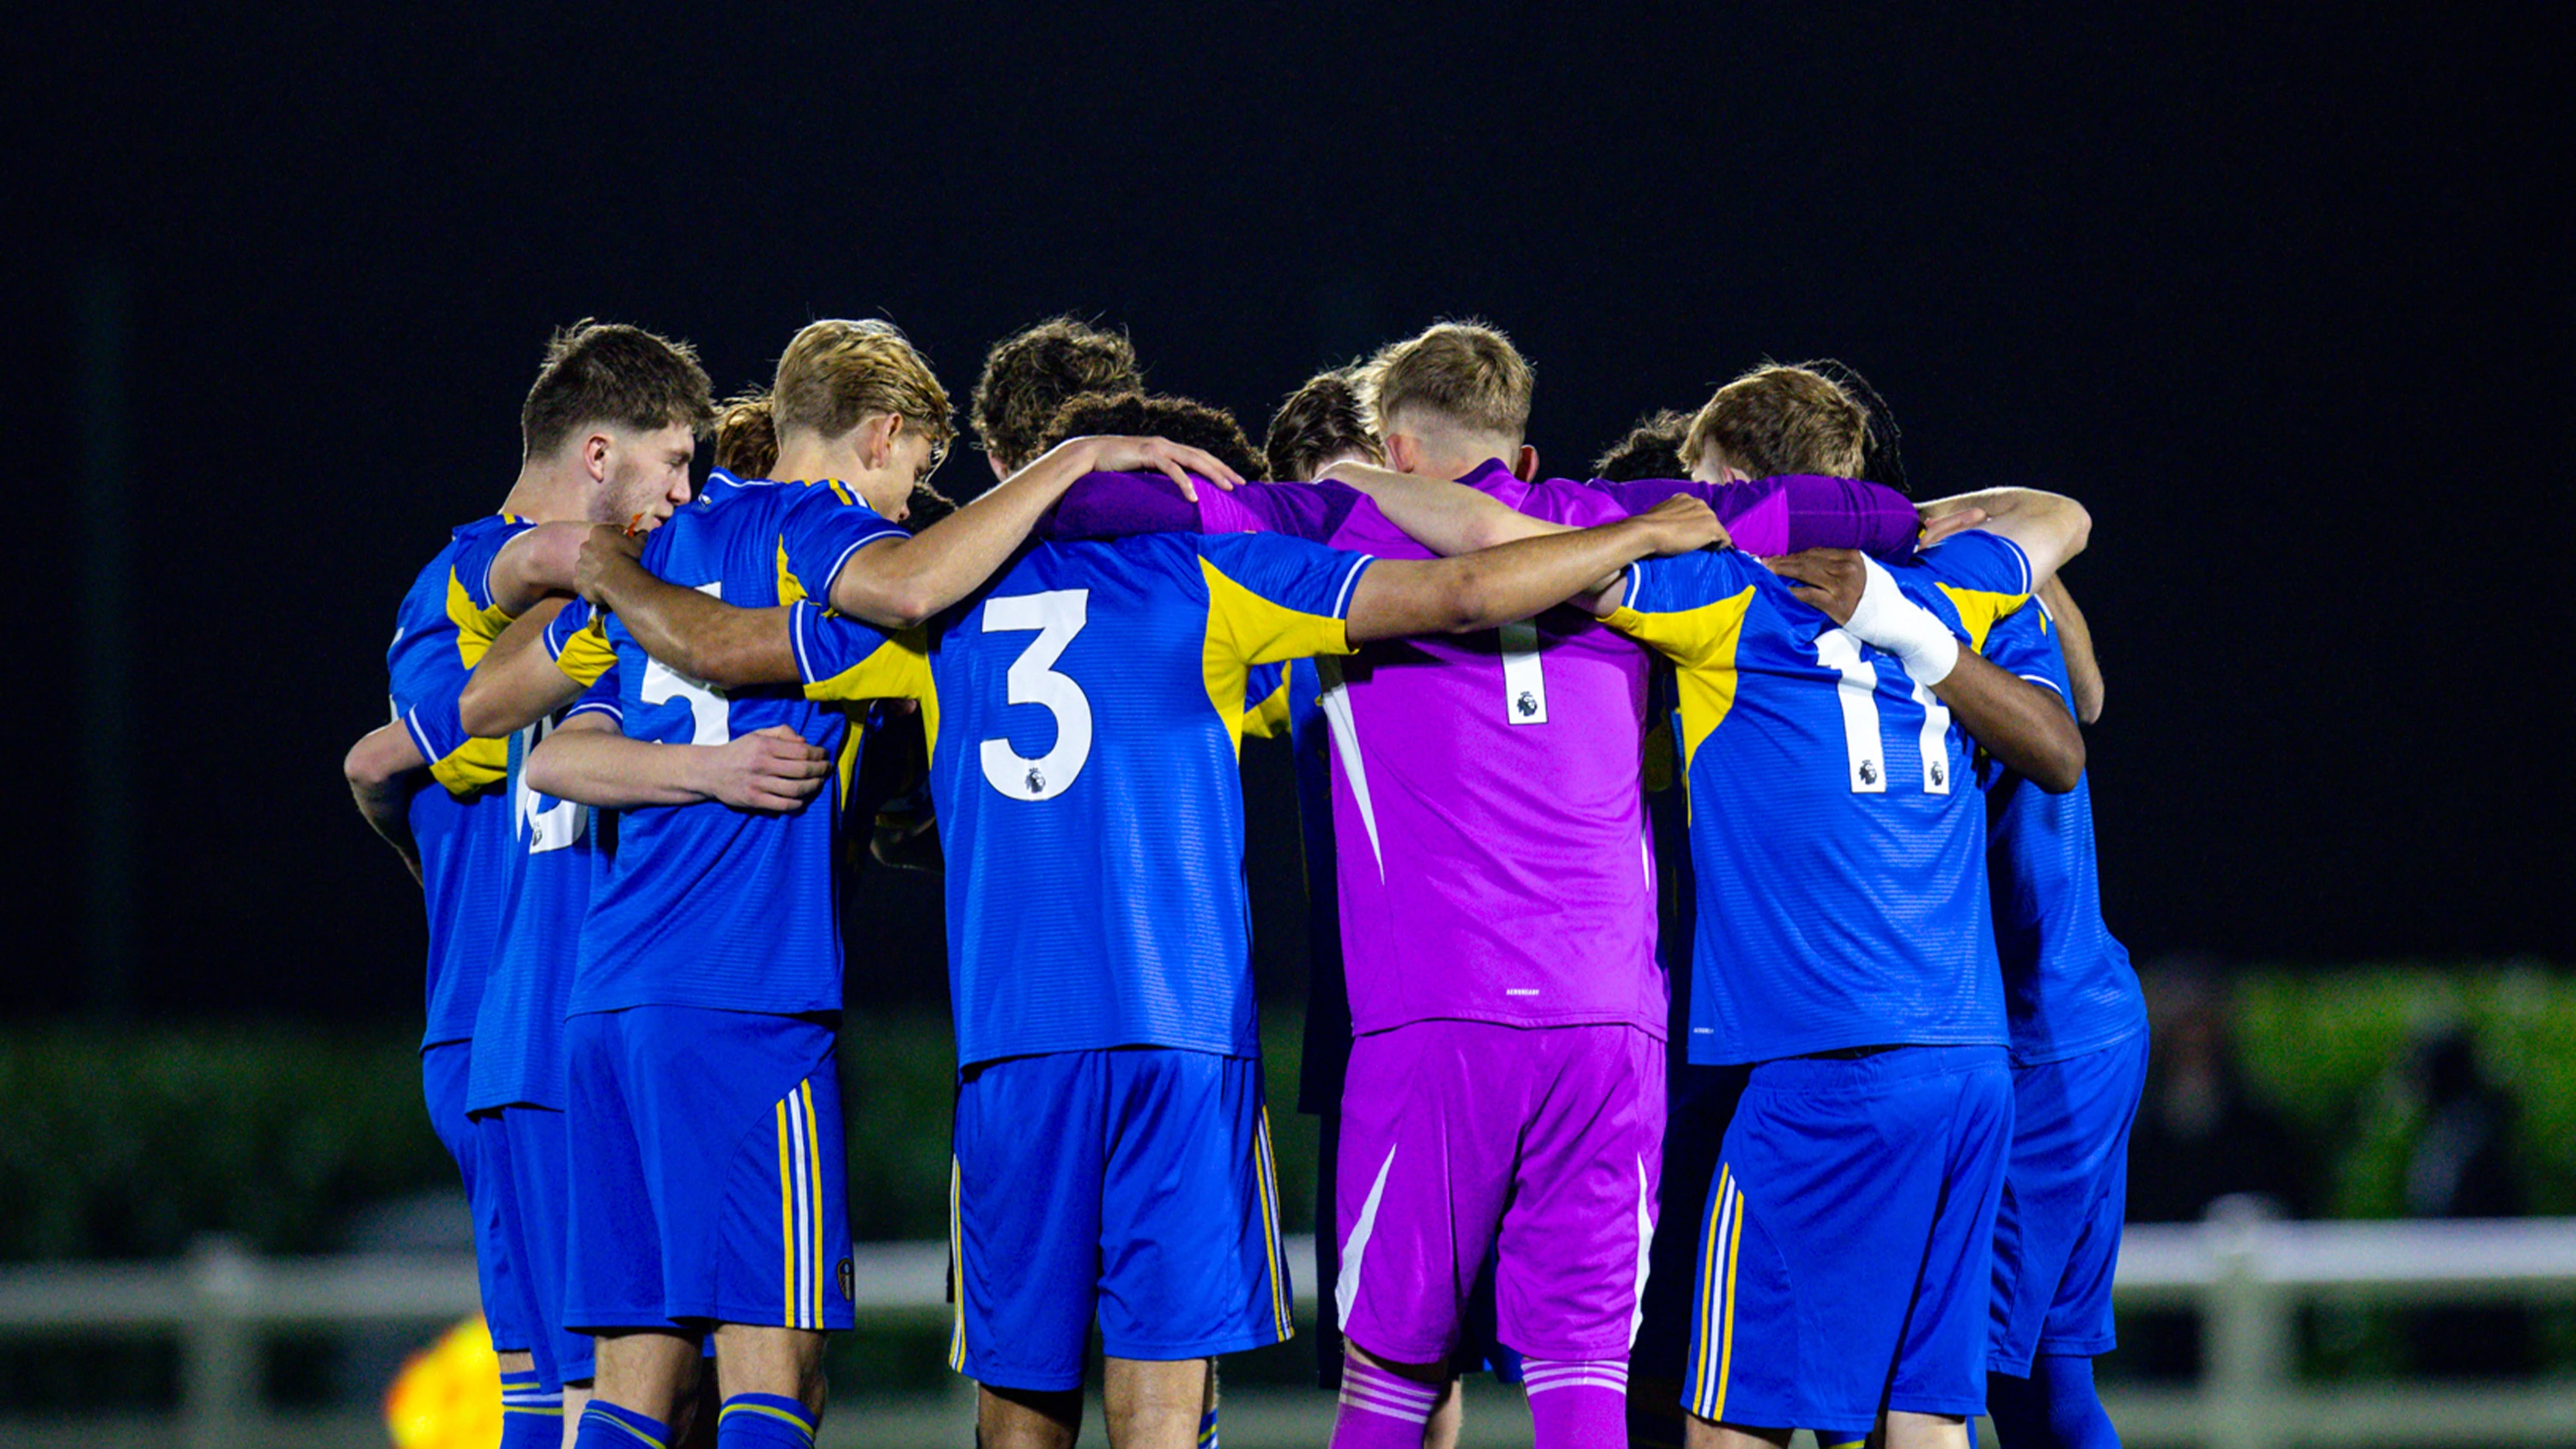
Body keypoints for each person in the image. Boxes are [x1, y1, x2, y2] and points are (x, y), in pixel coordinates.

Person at [568, 451, 1729, 1449]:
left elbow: (721, 645)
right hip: (1185, 1039)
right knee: (1170, 1413)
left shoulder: (933, 606)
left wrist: (606, 566)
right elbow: (1468, 584)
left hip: (1017, 1046)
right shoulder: (1214, 569)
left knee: (1021, 1407)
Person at [342, 320, 714, 1447]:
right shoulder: (475, 583)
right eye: (676, 463)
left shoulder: (585, 599)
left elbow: (388, 770)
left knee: (624, 1388)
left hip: (534, 1018)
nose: (688, 497)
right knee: (589, 1391)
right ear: (599, 455)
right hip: (533, 1023)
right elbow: (424, 746)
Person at [1971, 577, 2148, 1449]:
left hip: (2038, 1040)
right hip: (2087, 1019)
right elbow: (2092, 691)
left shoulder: (1905, 605)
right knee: (2045, 1385)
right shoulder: (2001, 570)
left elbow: (2072, 722)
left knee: (1948, 1370)